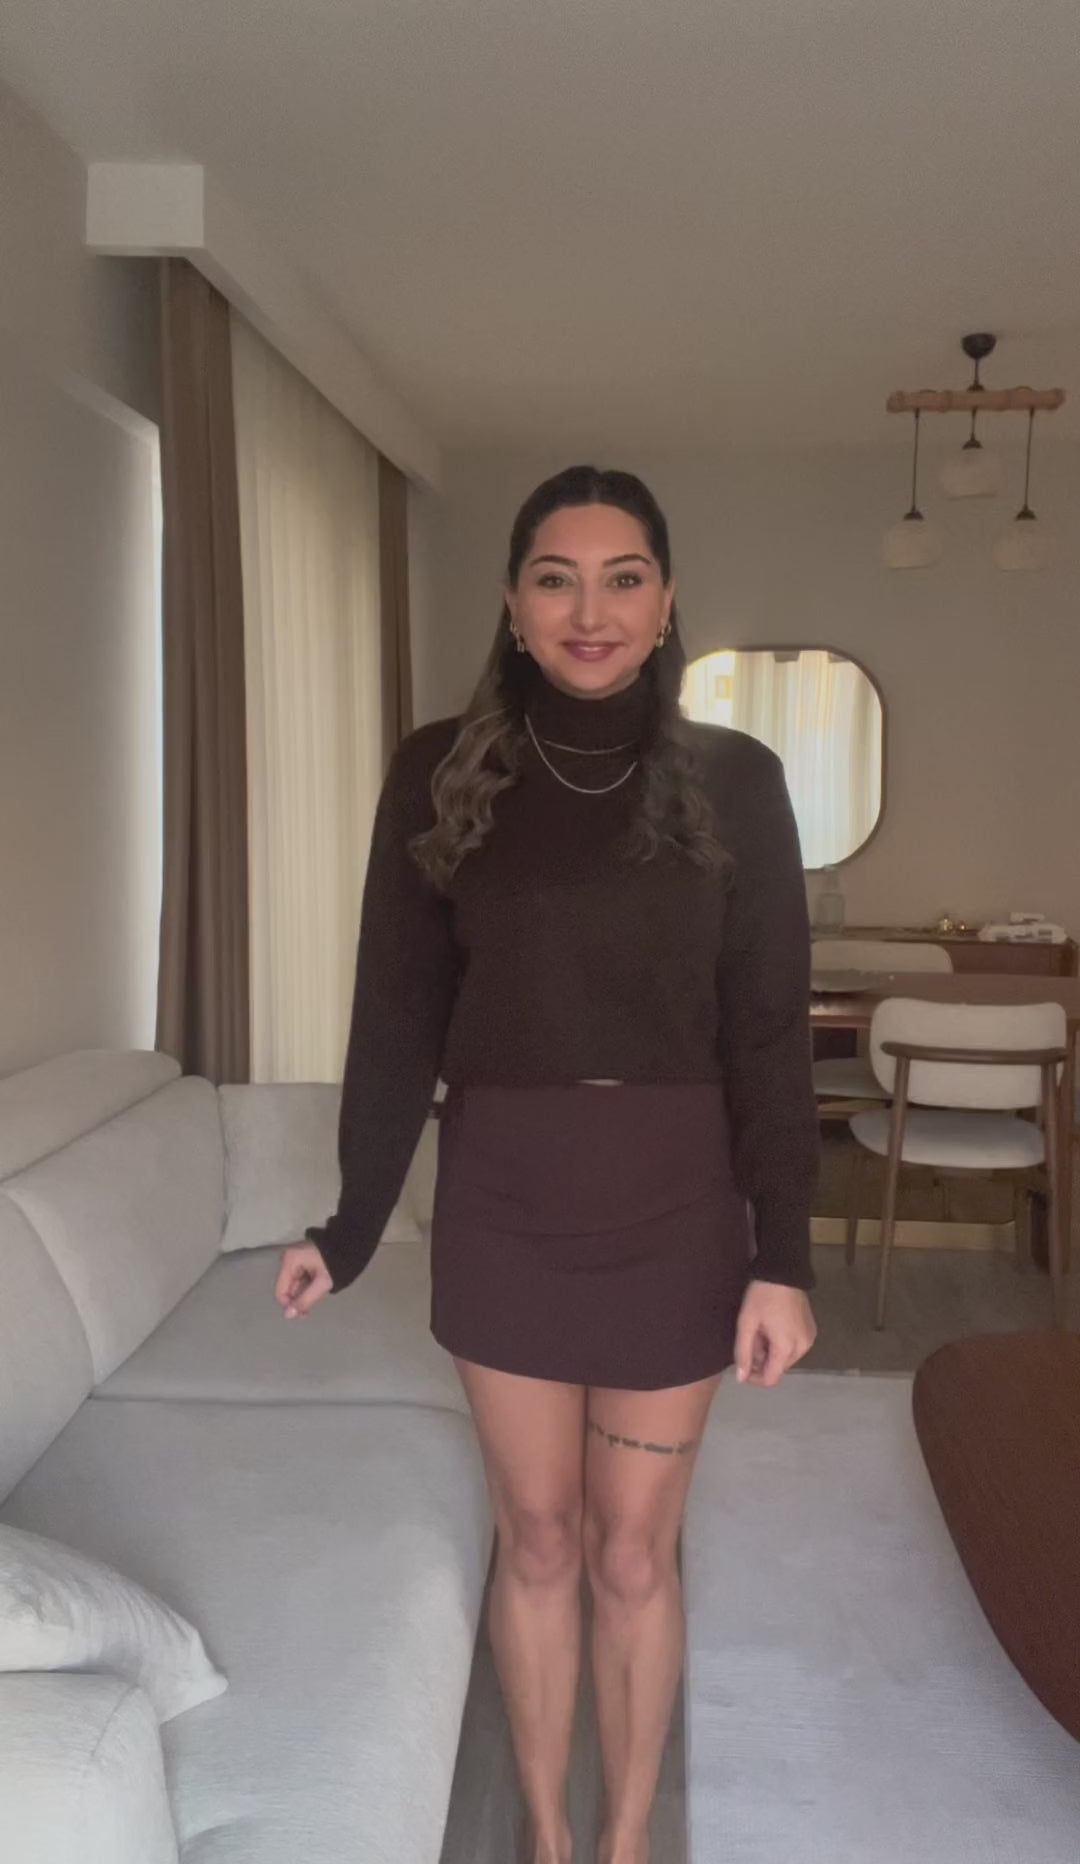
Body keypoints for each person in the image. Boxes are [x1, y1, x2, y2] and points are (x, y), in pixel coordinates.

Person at [276, 465, 819, 1864]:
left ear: (667, 600)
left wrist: (784, 1257)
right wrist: (349, 1222)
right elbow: (396, 1011)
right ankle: (545, 1833)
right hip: (504, 1199)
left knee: (633, 1551)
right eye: (557, 578)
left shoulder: (740, 782)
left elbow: (768, 1030)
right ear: (514, 605)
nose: (591, 610)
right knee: (537, 1538)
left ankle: (625, 1841)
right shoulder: (439, 769)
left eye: (623, 577)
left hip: (677, 1204)